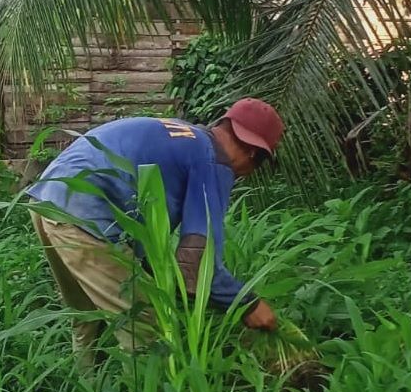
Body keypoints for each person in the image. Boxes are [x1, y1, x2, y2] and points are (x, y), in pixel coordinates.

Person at [27, 98, 284, 365]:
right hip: (86, 216)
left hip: (46, 198)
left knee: (86, 316)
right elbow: (200, 264)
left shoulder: (183, 135)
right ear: (255, 154)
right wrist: (247, 303)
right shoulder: (213, 160)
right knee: (145, 326)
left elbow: (142, 227)